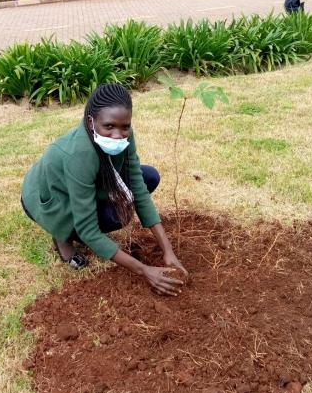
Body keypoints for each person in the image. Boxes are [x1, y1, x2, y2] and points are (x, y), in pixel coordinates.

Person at [20, 83, 189, 296]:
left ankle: (76, 221)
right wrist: (144, 270)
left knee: (149, 177)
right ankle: (61, 235)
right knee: (111, 217)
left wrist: (168, 251)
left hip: (86, 181)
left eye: (124, 127)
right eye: (109, 126)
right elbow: (89, 230)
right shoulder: (79, 155)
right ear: (91, 122)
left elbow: (137, 184)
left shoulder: (124, 133)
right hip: (50, 198)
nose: (118, 134)